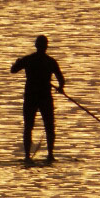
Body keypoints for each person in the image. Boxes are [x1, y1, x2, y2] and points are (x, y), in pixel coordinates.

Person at [11, 35, 65, 163]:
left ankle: (27, 156)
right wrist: (60, 87)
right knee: (49, 126)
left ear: (36, 46)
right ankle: (50, 155)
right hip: (44, 97)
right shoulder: (50, 61)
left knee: (29, 126)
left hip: (32, 97)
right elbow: (61, 80)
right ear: (46, 47)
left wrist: (17, 63)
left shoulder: (28, 59)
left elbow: (13, 70)